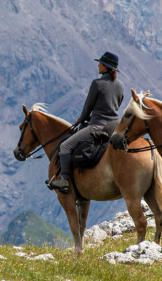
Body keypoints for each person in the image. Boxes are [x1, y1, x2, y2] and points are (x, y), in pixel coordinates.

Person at [48, 52, 126, 194]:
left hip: (96, 126)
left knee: (65, 146)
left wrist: (81, 119)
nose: (98, 65)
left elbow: (88, 107)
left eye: (100, 63)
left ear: (106, 67)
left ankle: (64, 179)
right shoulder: (120, 86)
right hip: (113, 126)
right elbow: (116, 105)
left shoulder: (97, 84)